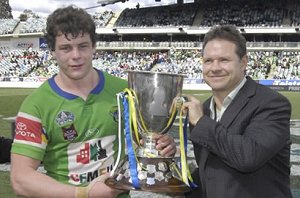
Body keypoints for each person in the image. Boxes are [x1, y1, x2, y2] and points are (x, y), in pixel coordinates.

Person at [10, 5, 176, 198]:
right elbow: (21, 180)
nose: (76, 56)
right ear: (53, 51)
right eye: (65, 48)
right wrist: (84, 194)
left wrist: (162, 145)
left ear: (94, 46)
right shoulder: (36, 106)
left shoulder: (125, 92)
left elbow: (144, 141)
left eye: (83, 46)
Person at [182, 25, 292, 198]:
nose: (215, 67)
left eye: (224, 60)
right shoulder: (203, 110)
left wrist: (201, 123)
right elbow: (211, 172)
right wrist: (171, 180)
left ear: (243, 62)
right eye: (208, 61)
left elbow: (248, 157)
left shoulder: (272, 103)